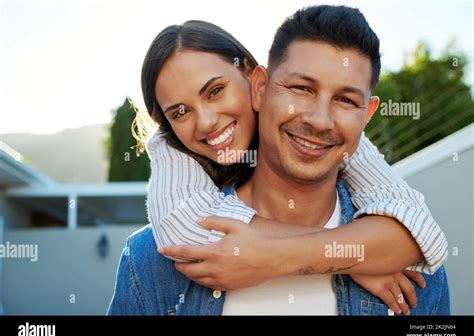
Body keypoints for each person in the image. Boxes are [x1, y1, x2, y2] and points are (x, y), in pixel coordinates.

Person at [109, 5, 449, 315]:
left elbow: (424, 235)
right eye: (301, 88)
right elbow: (181, 227)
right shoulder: (151, 259)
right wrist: (351, 259)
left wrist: (277, 257)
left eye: (345, 99)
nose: (320, 120)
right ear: (263, 87)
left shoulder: (408, 275)